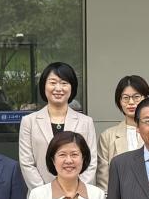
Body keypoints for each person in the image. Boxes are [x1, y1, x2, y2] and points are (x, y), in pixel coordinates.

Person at [18, 61, 98, 190]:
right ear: (44, 86)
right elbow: (27, 163)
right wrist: (46, 193)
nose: (58, 88)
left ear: (72, 87)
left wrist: (75, 191)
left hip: (77, 196)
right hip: (42, 196)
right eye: (53, 82)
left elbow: (91, 162)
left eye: (64, 83)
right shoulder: (29, 122)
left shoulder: (86, 122)